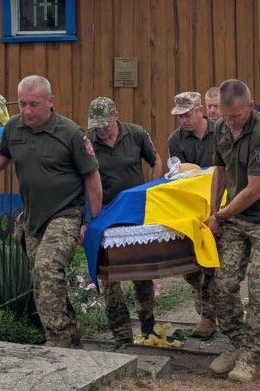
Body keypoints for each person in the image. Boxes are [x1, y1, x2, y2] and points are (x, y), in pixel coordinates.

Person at [0, 75, 102, 348]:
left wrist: (91, 222)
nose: (27, 111)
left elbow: (93, 180)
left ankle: (58, 337)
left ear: (50, 101)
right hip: (33, 218)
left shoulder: (71, 134)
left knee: (46, 268)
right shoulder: (14, 127)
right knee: (46, 279)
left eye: (33, 104)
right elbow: (4, 152)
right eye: (22, 104)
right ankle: (71, 335)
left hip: (66, 214)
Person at [206, 79, 260, 383]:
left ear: (250, 106)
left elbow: (254, 190)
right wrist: (213, 213)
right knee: (223, 284)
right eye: (225, 116)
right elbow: (219, 171)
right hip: (234, 218)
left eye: (237, 116)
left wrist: (221, 215)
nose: (230, 122)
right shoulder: (221, 128)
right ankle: (238, 343)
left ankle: (251, 357)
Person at [87, 96, 164, 344]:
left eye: (105, 124)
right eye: (97, 126)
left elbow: (156, 161)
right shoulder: (87, 142)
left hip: (135, 211)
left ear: (116, 116)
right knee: (108, 275)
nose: (101, 130)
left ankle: (147, 322)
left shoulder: (136, 134)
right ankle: (121, 333)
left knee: (142, 269)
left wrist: (151, 192)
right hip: (105, 213)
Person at [168, 91, 217, 337]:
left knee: (216, 265)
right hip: (191, 205)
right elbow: (178, 174)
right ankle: (205, 307)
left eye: (187, 115)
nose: (183, 120)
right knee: (191, 264)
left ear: (200, 110)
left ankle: (212, 316)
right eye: (180, 116)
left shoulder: (221, 131)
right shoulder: (176, 140)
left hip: (220, 202)